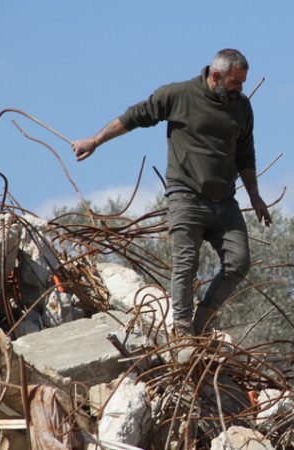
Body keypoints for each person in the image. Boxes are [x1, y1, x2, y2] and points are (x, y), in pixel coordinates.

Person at [72, 49, 272, 339]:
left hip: (225, 202)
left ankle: (202, 320)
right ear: (216, 76)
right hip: (186, 197)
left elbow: (245, 153)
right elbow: (135, 116)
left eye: (242, 83)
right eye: (235, 82)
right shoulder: (179, 95)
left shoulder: (241, 107)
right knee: (185, 265)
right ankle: (181, 332)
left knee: (239, 262)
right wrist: (95, 140)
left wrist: (255, 197)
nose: (240, 89)